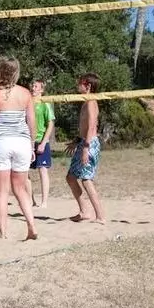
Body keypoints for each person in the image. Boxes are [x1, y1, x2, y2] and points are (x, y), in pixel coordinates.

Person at [0, 57, 37, 240]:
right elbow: (32, 123)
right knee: (20, 188)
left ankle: (3, 233)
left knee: (2, 191)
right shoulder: (25, 93)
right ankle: (32, 226)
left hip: (2, 142)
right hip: (22, 143)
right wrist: (32, 146)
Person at [65, 73, 105, 224]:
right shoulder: (85, 101)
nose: (78, 84)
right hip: (83, 142)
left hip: (89, 144)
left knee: (87, 179)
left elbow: (92, 126)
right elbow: (84, 127)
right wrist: (77, 141)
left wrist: (86, 148)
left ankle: (100, 216)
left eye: (80, 82)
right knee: (70, 177)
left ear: (87, 86)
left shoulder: (91, 102)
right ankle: (84, 211)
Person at [26, 79, 55, 209]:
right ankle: (31, 201)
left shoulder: (45, 103)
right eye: (32, 85)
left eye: (36, 86)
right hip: (27, 141)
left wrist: (43, 142)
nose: (33, 88)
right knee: (24, 171)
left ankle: (44, 202)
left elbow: (51, 124)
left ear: (41, 90)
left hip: (41, 141)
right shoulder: (27, 103)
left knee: (42, 170)